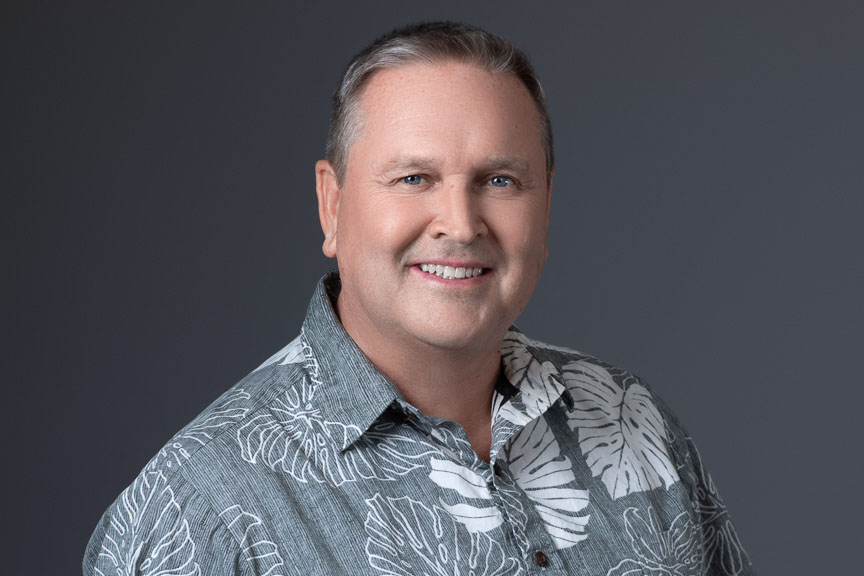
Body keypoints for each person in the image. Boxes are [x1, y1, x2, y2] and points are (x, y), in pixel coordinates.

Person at [83, 22, 754, 575]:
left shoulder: (636, 425)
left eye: (499, 179)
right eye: (413, 178)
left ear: (547, 204)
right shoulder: (198, 506)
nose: (460, 225)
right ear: (332, 204)